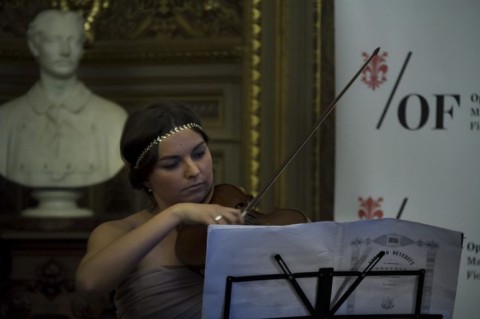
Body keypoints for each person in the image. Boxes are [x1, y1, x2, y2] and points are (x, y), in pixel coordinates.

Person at [75, 103, 244, 318]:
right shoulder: (118, 231)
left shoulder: (234, 216)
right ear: (146, 178)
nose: (193, 170)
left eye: (199, 153)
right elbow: (90, 284)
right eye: (172, 164)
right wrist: (176, 213)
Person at [0, 9, 127, 187]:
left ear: (82, 47)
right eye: (54, 40)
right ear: (34, 46)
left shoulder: (114, 119)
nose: (65, 51)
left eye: (73, 41)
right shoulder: (5, 120)